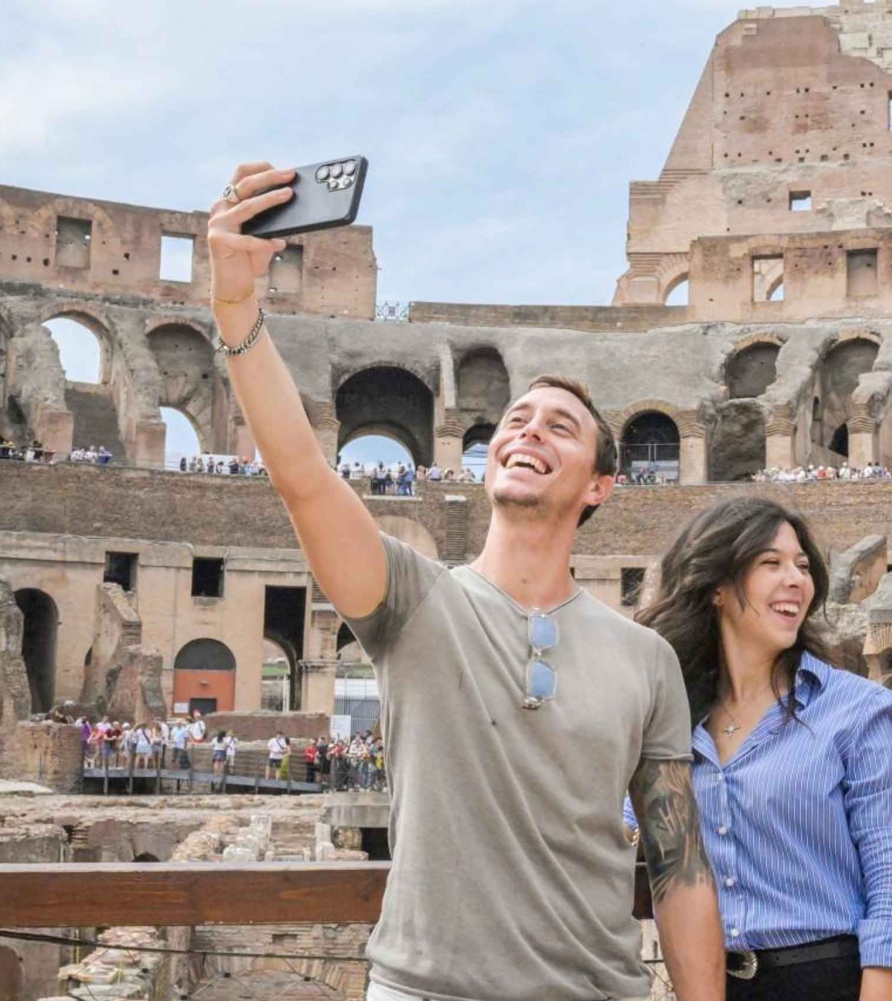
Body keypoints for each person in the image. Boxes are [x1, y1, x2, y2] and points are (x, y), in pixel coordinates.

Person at [206, 159, 722, 1001]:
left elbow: (680, 868)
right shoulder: (412, 600)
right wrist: (235, 307)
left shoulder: (646, 658)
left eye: (561, 427)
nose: (528, 431)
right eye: (516, 420)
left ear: (601, 484)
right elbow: (303, 475)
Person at [636, 496, 892, 1001]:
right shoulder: (669, 719)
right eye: (770, 563)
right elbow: (637, 840)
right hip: (708, 983)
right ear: (716, 587)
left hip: (831, 982)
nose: (796, 579)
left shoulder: (859, 711)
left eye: (802, 565)